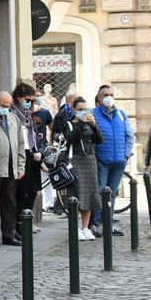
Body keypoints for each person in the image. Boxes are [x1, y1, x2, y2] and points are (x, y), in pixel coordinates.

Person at [55, 94, 103, 240]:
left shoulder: (90, 123)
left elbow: (100, 140)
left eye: (85, 109)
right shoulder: (68, 123)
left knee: (89, 194)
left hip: (90, 160)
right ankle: (74, 228)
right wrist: (80, 123)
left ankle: (86, 227)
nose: (83, 111)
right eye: (80, 109)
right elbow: (70, 139)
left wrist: (94, 126)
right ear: (74, 110)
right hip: (75, 160)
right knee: (76, 194)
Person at [91, 85, 133, 233]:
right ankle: (95, 223)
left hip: (119, 161)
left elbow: (129, 136)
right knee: (100, 192)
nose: (109, 97)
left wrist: (126, 155)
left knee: (112, 193)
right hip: (101, 160)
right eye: (106, 94)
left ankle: (108, 224)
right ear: (100, 98)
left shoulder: (121, 114)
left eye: (111, 94)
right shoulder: (93, 113)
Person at [0, 92, 26, 247]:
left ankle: (9, 234)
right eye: (3, 105)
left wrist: (21, 165)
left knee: (9, 202)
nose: (5, 108)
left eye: (8, 106)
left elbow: (21, 144)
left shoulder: (13, 119)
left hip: (11, 166)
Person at [11, 82, 45, 228]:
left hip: (29, 153)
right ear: (18, 97)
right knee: (21, 191)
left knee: (32, 190)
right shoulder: (12, 112)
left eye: (32, 100)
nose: (29, 103)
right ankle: (20, 223)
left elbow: (30, 134)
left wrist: (36, 150)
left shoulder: (28, 115)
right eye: (26, 100)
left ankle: (26, 219)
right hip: (18, 154)